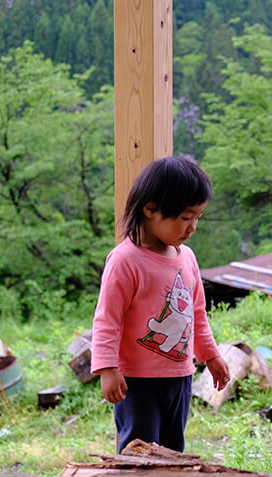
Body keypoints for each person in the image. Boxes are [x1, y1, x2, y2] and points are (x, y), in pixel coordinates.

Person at [91, 156, 230, 453]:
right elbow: (108, 320)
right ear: (151, 208)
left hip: (180, 378)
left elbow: (197, 315)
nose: (192, 227)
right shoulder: (125, 261)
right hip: (137, 383)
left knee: (172, 450)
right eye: (184, 217)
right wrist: (107, 368)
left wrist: (211, 355)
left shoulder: (187, 258)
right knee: (140, 450)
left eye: (198, 217)